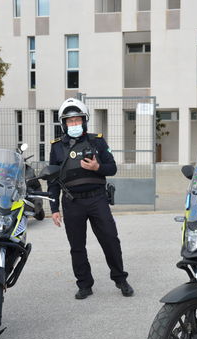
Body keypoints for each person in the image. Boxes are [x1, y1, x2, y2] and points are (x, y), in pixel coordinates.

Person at [48, 98, 134, 300]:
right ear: (64, 124)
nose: (74, 124)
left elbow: (112, 168)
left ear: (84, 121)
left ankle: (120, 279)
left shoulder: (97, 141)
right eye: (70, 121)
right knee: (77, 246)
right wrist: (53, 208)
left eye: (77, 120)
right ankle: (84, 284)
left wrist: (98, 168)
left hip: (97, 200)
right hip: (72, 202)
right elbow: (52, 180)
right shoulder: (57, 147)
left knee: (111, 240)